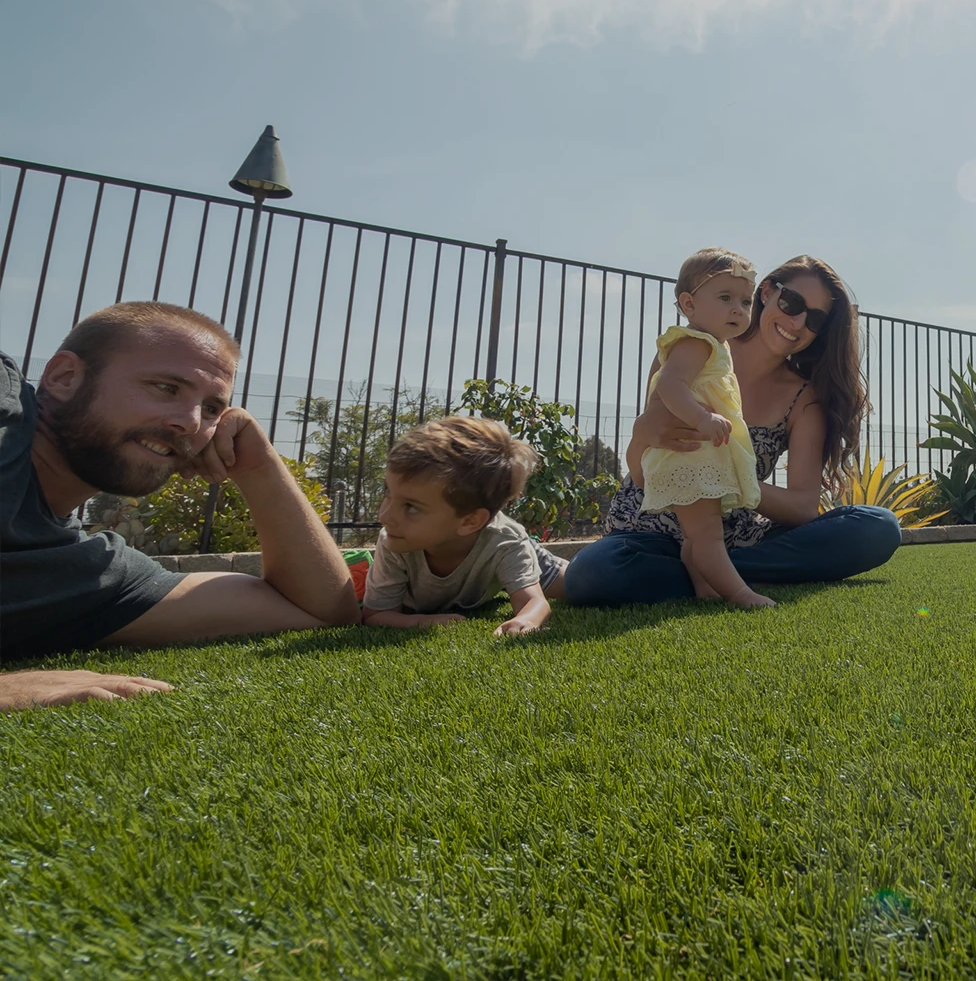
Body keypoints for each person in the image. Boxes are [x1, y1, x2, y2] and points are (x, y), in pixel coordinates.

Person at [2, 302, 358, 711]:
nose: (191, 423)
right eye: (166, 388)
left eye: (211, 409)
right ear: (65, 377)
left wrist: (259, 467)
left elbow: (320, 609)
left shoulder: (89, 575)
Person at [566, 255, 902, 605]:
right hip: (651, 532)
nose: (797, 322)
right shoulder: (691, 348)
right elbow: (639, 472)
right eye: (792, 303)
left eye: (815, 319)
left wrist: (731, 477)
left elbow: (802, 506)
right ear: (768, 292)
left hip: (737, 537)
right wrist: (641, 434)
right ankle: (721, 575)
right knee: (593, 574)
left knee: (876, 527)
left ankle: (715, 571)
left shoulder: (805, 397)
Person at [630, 250, 777, 608]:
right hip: (691, 456)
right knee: (708, 534)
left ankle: (704, 587)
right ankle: (740, 593)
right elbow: (668, 385)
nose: (737, 310)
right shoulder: (697, 342)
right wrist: (701, 418)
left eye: (745, 301)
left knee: (697, 536)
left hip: (697, 456)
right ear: (689, 304)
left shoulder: (712, 345)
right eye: (725, 298)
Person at [360, 416, 570, 636]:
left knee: (583, 586)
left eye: (411, 507)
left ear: (469, 521)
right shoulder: (395, 539)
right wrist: (424, 621)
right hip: (490, 547)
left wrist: (526, 619)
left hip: (510, 549)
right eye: (388, 494)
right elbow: (376, 615)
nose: (385, 516)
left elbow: (535, 603)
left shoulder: (506, 542)